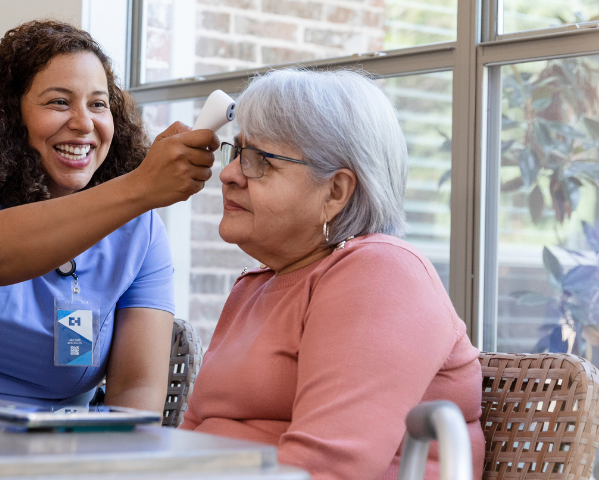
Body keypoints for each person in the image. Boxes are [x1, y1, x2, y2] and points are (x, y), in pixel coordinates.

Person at [0, 20, 218, 412]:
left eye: (98, 104)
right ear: (9, 114)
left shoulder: (140, 230)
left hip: (50, 453)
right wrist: (140, 187)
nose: (84, 123)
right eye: (58, 102)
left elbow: (136, 394)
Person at [179, 69, 484, 480]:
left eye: (258, 162)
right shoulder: (253, 287)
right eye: (236, 154)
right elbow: (186, 442)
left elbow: (323, 470)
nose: (229, 174)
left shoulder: (379, 274)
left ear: (335, 192)